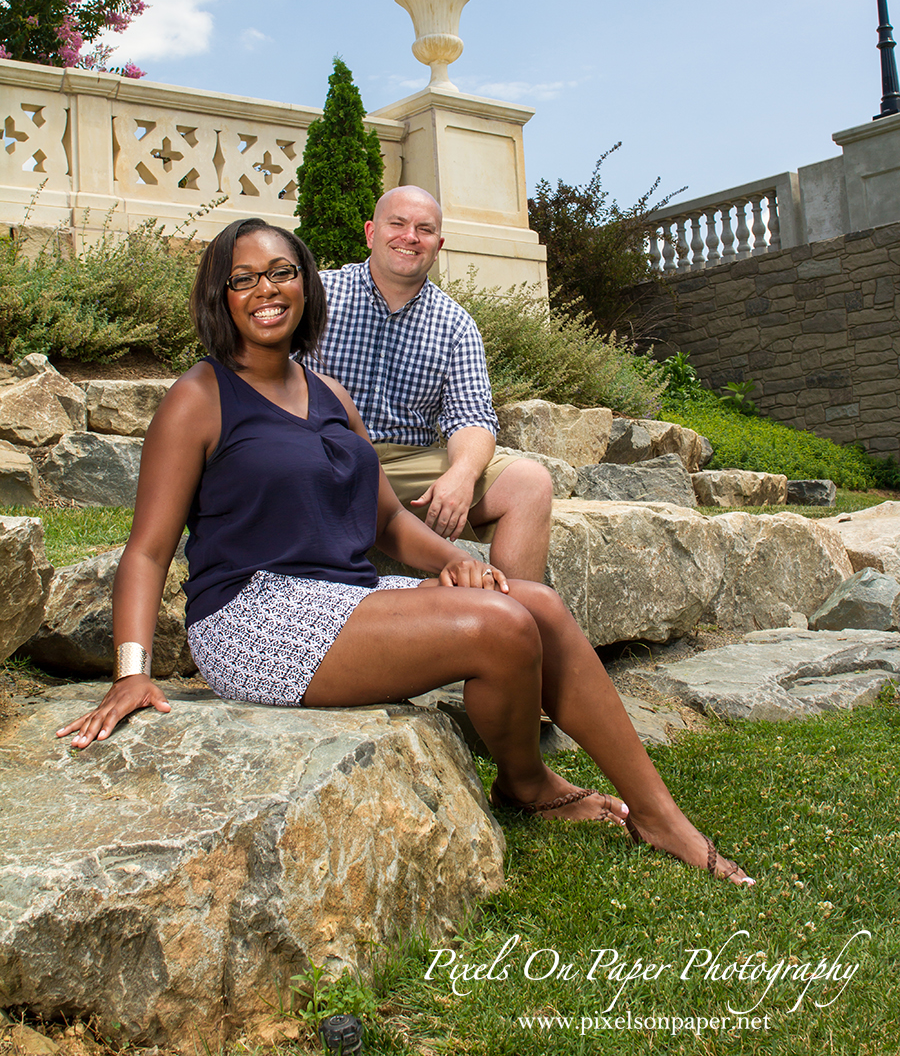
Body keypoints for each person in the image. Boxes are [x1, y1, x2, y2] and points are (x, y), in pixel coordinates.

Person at [58, 217, 753, 884]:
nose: (266, 290)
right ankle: (537, 783)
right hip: (253, 618)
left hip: (346, 600)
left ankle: (633, 809)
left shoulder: (328, 393)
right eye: (244, 280)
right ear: (220, 296)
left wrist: (449, 558)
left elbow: (384, 518)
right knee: (502, 624)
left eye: (281, 272)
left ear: (305, 284)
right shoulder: (199, 397)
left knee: (530, 601)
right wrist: (131, 672)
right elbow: (147, 551)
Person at [312, 186, 554, 583]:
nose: (410, 237)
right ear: (372, 233)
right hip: (324, 454)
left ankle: (514, 624)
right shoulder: (317, 296)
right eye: (398, 224)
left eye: (424, 230)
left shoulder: (455, 324)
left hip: (409, 469)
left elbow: (471, 417)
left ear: (437, 245)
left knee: (529, 483)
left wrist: (461, 473)